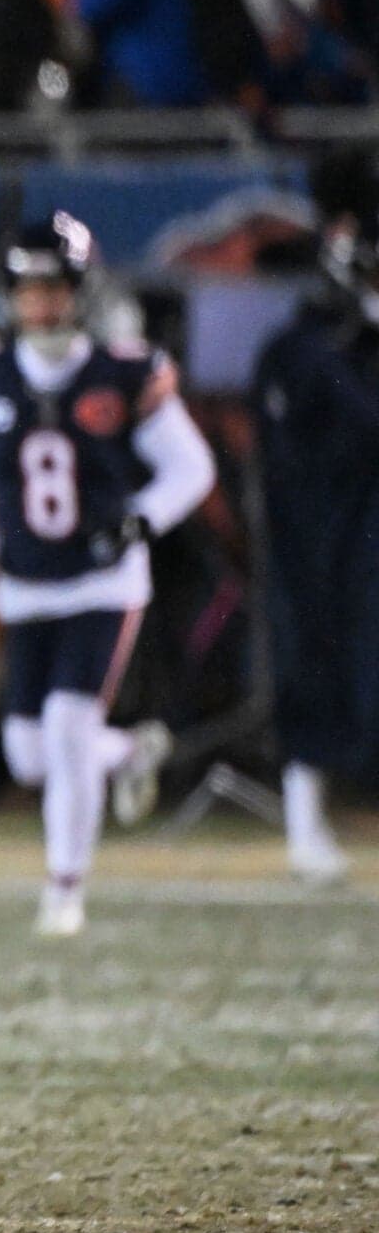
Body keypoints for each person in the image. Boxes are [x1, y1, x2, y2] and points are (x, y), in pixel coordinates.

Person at [0, 213, 217, 937]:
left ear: (81, 292)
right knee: (28, 752)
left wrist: (140, 518)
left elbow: (191, 467)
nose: (42, 304)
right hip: (24, 579)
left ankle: (64, 890)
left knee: (65, 722)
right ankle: (126, 750)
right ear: (7, 294)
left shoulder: (123, 370)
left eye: (55, 288)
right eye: (29, 288)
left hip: (103, 578)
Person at [249, 154, 376, 886]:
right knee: (314, 670)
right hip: (317, 536)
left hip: (359, 530)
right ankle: (305, 825)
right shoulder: (302, 350)